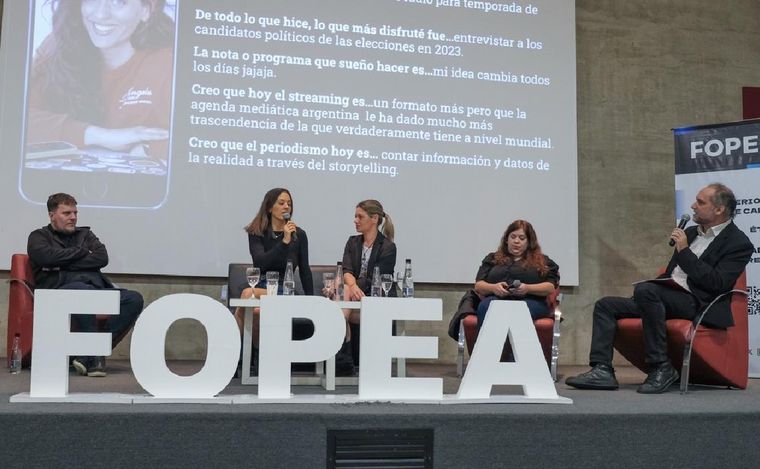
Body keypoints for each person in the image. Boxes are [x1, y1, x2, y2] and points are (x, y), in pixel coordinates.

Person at [566, 183, 754, 394]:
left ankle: (661, 366)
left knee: (648, 291)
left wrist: (684, 252)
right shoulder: (691, 232)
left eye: (700, 202)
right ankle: (602, 369)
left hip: (700, 303)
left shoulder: (738, 243)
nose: (693, 206)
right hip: (666, 298)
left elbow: (717, 283)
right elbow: (672, 273)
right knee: (606, 305)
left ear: (719, 209)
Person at [27, 0, 174, 161]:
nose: (100, 14)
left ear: (145, 10)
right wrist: (98, 136)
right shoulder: (58, 48)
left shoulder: (170, 63)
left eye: (119, 2)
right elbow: (16, 120)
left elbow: (195, 140)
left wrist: (148, 149)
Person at [26, 193, 144, 377]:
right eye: (66, 213)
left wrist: (62, 262)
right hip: (58, 291)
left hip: (96, 289)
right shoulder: (38, 236)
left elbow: (101, 258)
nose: (73, 217)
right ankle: (93, 358)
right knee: (83, 292)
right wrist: (82, 252)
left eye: (75, 212)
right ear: (52, 215)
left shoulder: (85, 234)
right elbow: (45, 257)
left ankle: (89, 353)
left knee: (133, 299)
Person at [235, 188, 313, 346]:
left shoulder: (299, 235)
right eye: (281, 203)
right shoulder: (257, 232)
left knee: (248, 298)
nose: (286, 207)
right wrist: (284, 242)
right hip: (262, 284)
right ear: (269, 207)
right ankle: (245, 355)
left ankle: (241, 355)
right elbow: (260, 263)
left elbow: (305, 270)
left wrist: (311, 301)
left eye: (289, 204)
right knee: (254, 308)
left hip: (285, 288)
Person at [339, 199, 397, 372]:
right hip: (354, 299)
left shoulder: (388, 247)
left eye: (360, 216)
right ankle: (344, 357)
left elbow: (375, 279)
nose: (355, 220)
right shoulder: (352, 242)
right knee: (345, 291)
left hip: (376, 299)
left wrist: (352, 286)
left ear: (374, 219)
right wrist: (352, 287)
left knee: (342, 299)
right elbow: (346, 269)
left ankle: (343, 355)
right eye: (355, 216)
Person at [471, 220, 559, 329]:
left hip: (531, 301)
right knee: (485, 307)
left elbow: (550, 287)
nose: (516, 241)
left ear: (529, 242)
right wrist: (493, 288)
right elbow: (479, 285)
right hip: (496, 299)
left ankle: (517, 346)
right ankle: (488, 345)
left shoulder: (543, 261)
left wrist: (528, 288)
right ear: (507, 240)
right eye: (513, 237)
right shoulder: (492, 259)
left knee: (519, 311)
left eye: (522, 238)